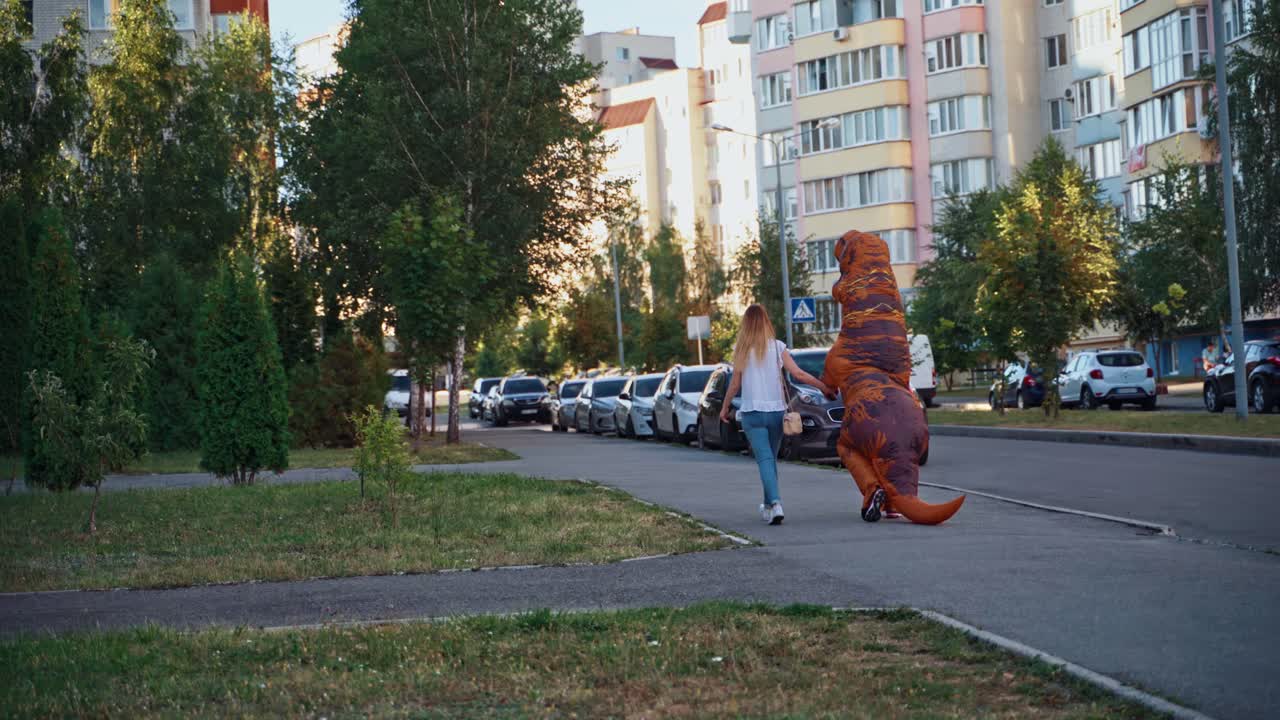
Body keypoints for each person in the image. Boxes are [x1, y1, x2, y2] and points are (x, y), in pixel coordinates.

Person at [720, 304, 834, 525]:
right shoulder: (777, 347)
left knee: (764, 459)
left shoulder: (741, 349)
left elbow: (734, 384)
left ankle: (776, 502)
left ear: (746, 325)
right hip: (776, 413)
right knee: (769, 460)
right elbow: (798, 373)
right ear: (765, 322)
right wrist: (823, 387)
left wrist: (725, 408)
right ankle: (768, 506)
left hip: (753, 413)